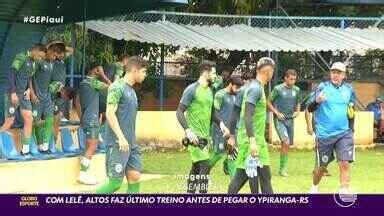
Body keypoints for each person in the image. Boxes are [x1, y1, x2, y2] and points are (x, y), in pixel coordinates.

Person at [176, 60, 229, 194]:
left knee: (196, 168)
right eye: (213, 73)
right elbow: (179, 111)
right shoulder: (192, 89)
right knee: (205, 166)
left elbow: (212, 112)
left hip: (205, 136)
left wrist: (221, 124)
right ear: (205, 72)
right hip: (194, 137)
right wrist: (188, 132)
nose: (215, 76)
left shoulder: (210, 91)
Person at [96, 56, 148, 193]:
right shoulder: (116, 87)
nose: (145, 75)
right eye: (144, 71)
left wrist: (129, 140)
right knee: (115, 184)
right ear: (135, 70)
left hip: (131, 143)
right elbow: (110, 113)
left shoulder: (131, 90)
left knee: (135, 177)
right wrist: (121, 137)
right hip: (117, 142)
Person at [227, 57, 275, 194]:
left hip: (255, 141)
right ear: (269, 71)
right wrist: (252, 141)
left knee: (265, 177)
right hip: (252, 141)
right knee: (240, 180)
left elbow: (235, 112)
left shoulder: (248, 88)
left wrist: (231, 135)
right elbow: (247, 115)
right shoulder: (255, 89)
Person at [307, 62, 356, 194]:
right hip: (324, 135)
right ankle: (314, 186)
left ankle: (344, 191)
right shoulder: (322, 87)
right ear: (330, 73)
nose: (335, 75)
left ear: (344, 75)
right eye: (333, 72)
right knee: (321, 168)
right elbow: (309, 108)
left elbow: (351, 110)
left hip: (344, 133)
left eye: (338, 72)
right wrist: (317, 101)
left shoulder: (349, 90)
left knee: (344, 163)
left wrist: (351, 129)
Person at [0, 44, 46, 155]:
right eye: (40, 56)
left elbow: (29, 78)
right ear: (35, 50)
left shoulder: (34, 63)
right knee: (9, 122)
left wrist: (30, 91)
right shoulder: (21, 56)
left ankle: (25, 150)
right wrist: (13, 92)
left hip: (24, 95)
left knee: (29, 119)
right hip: (13, 93)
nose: (41, 59)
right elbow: (11, 74)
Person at [78, 64, 111, 185]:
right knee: (92, 147)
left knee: (89, 147)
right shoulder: (92, 82)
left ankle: (85, 173)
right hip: (92, 119)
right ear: (93, 70)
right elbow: (112, 87)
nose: (100, 72)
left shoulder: (84, 83)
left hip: (87, 118)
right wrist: (103, 75)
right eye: (98, 69)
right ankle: (82, 175)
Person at [30, 42, 65, 153]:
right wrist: (32, 93)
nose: (54, 58)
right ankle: (38, 144)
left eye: (56, 56)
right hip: (37, 97)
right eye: (53, 55)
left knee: (50, 119)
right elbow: (30, 78)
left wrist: (56, 86)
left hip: (47, 97)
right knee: (36, 121)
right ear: (48, 51)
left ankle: (46, 145)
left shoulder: (52, 63)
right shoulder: (40, 62)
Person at [267, 69, 301, 177]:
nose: (293, 81)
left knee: (287, 144)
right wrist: (276, 113)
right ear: (285, 78)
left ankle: (283, 167)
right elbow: (268, 102)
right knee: (285, 141)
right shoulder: (278, 89)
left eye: (294, 79)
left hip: (290, 120)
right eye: (291, 79)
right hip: (280, 120)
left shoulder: (297, 89)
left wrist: (297, 111)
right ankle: (282, 170)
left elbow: (298, 102)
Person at [209, 74, 243, 177]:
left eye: (239, 88)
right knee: (218, 154)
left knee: (232, 154)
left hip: (233, 130)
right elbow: (215, 112)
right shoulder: (220, 95)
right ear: (230, 84)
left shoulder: (238, 95)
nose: (237, 90)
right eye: (236, 87)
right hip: (220, 130)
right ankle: (202, 171)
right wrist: (221, 125)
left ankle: (233, 183)